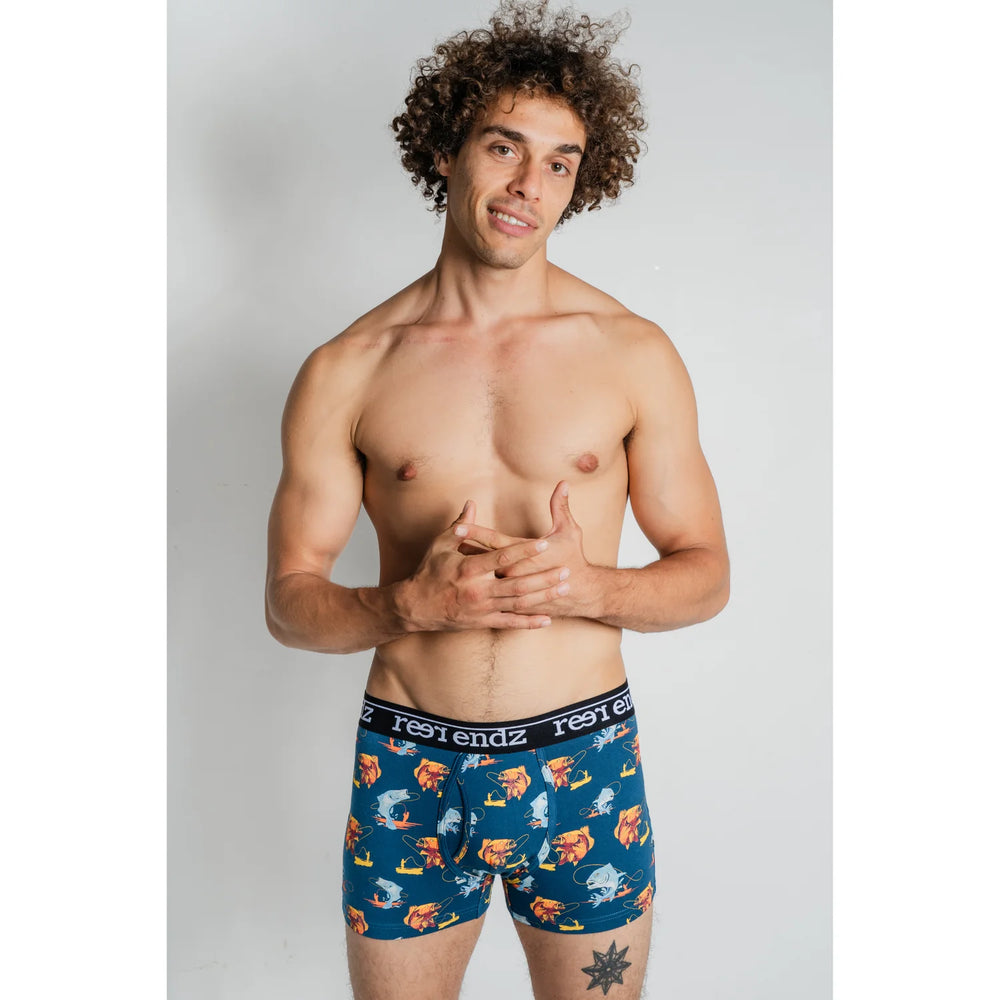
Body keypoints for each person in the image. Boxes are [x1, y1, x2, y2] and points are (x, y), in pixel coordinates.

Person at [264, 2, 728, 997]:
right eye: (504, 146)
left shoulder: (632, 354)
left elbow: (705, 575)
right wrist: (406, 605)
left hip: (583, 763)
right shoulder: (347, 369)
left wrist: (587, 586)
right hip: (409, 767)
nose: (528, 186)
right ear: (446, 148)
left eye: (560, 162)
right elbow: (290, 602)